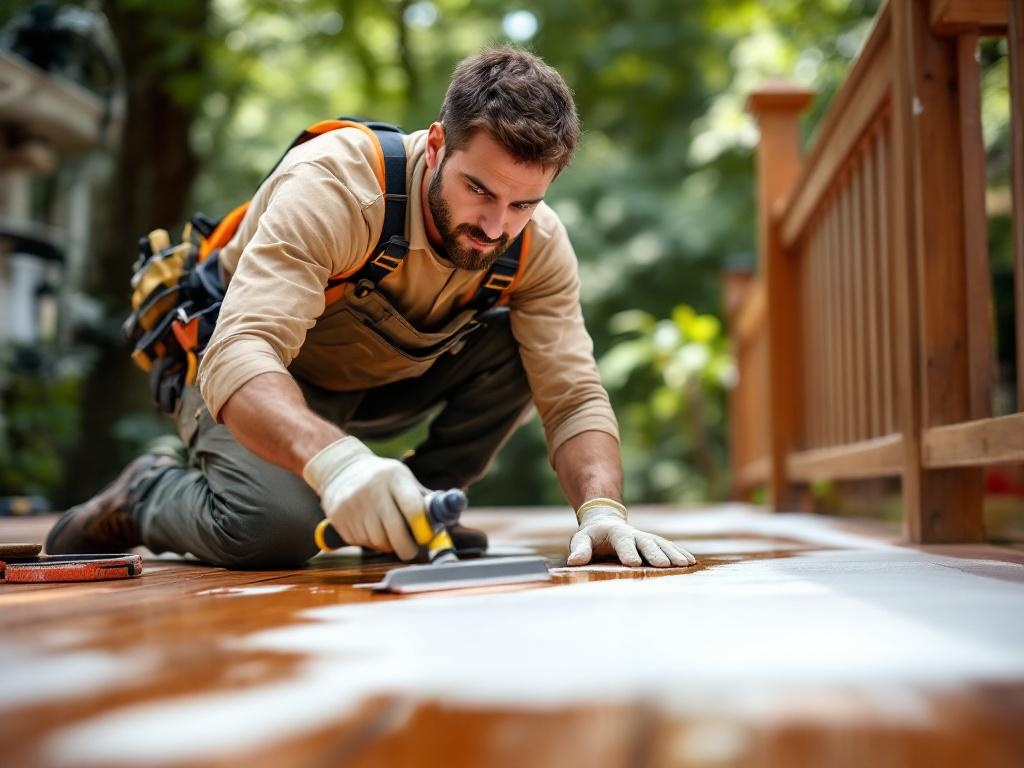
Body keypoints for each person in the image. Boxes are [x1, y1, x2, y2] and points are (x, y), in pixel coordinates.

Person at [47, 46, 696, 570]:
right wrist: (339, 465)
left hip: (382, 382)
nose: (497, 226)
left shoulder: (537, 244)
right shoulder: (337, 185)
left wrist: (602, 511)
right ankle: (147, 493)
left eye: (523, 204)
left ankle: (417, 513)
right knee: (271, 533)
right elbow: (240, 354)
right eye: (479, 190)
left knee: (523, 346)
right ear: (438, 145)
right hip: (245, 374)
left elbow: (574, 395)